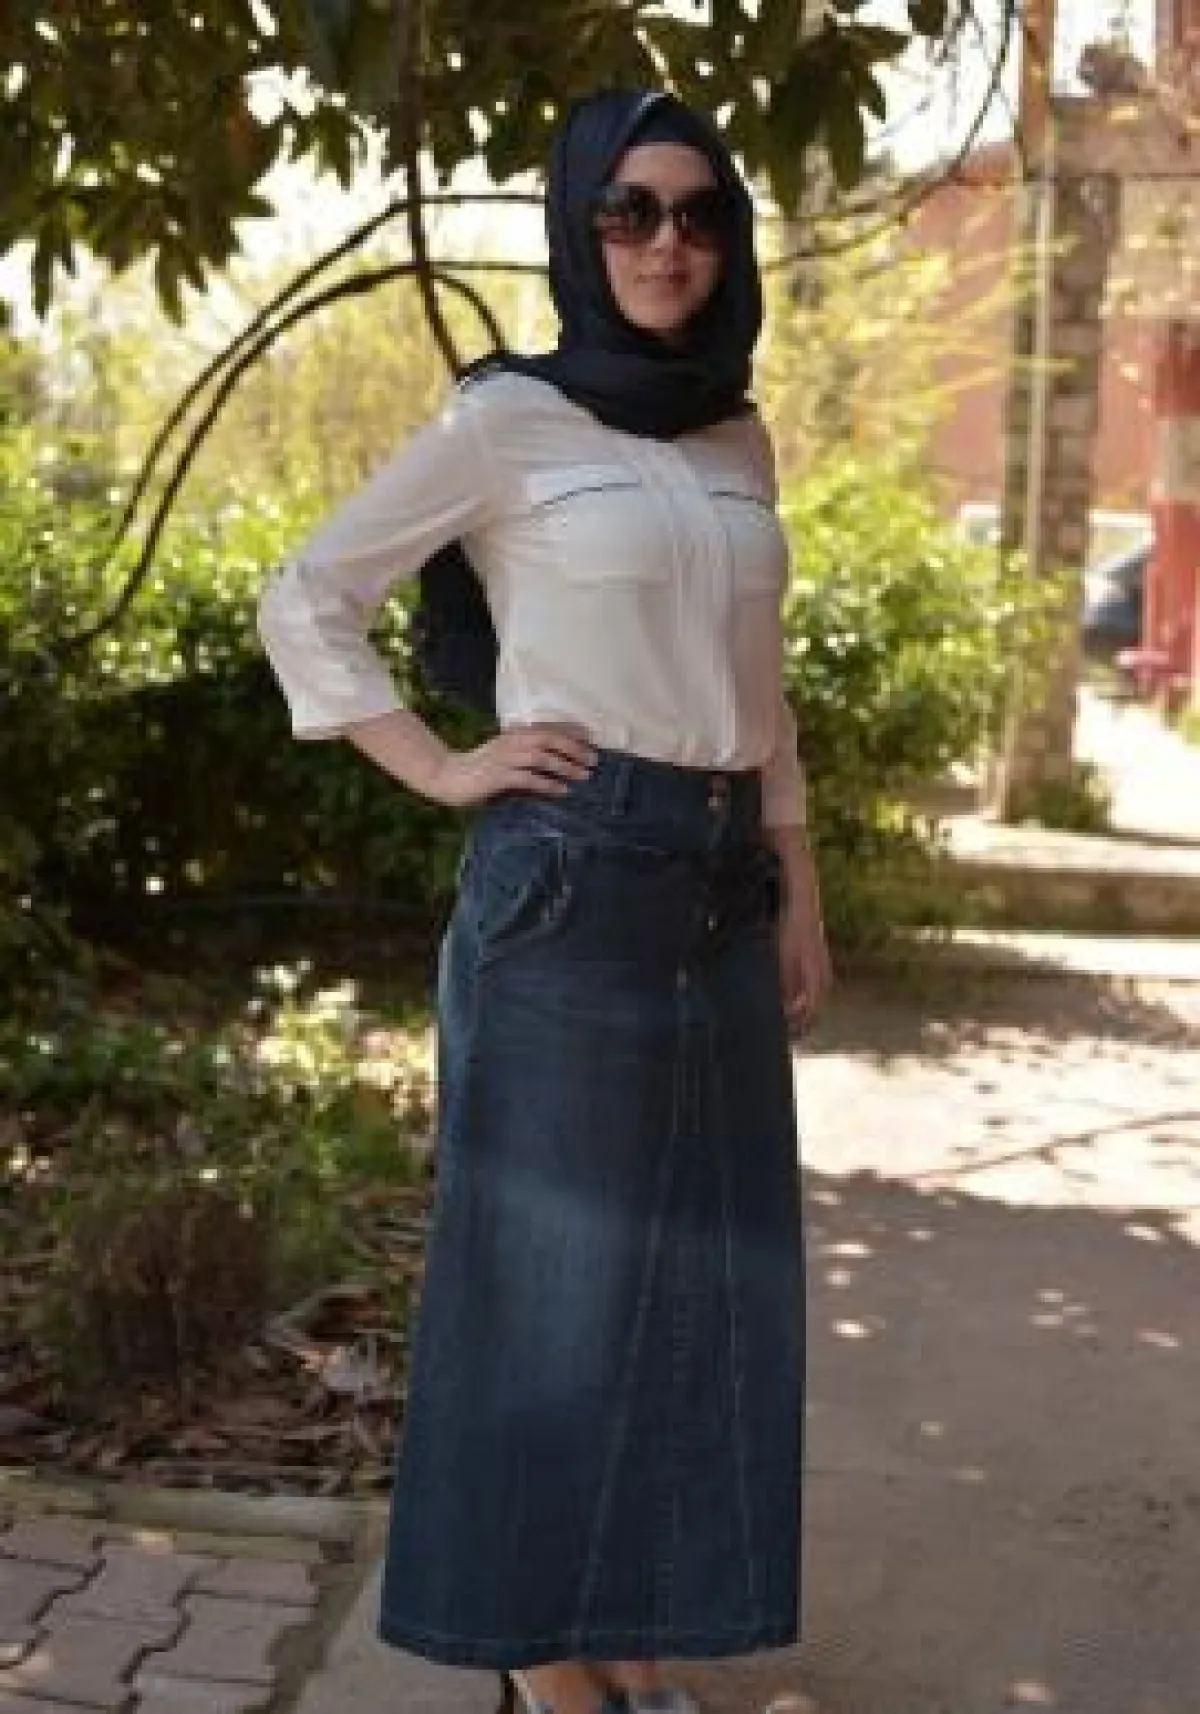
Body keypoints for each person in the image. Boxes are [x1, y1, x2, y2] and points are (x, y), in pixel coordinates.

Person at [257, 86, 831, 1714]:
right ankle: (541, 1654)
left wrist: (797, 873)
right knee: (551, 1296)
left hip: (719, 886)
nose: (666, 242)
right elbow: (308, 591)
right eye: (628, 211)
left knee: (697, 1288)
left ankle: (628, 1631)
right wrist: (439, 765)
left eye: (699, 213)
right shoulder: (508, 419)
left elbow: (760, 681)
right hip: (571, 883)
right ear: (581, 231)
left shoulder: (735, 434)